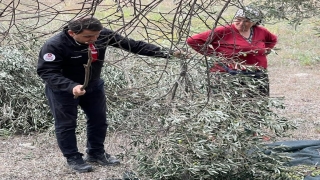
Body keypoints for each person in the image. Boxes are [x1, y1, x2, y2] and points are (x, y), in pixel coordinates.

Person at [37, 16, 183, 173]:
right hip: (64, 90)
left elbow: (133, 45)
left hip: (93, 86)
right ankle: (73, 158)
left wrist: (168, 53)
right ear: (72, 33)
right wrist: (71, 87)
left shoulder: (103, 35)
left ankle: (95, 152)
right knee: (66, 124)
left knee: (98, 120)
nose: (94, 39)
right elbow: (47, 71)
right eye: (88, 37)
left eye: (96, 35)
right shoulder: (55, 45)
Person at [186, 6, 278, 96]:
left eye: (246, 21)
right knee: (234, 106)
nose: (241, 23)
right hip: (229, 74)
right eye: (238, 19)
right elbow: (193, 40)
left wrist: (267, 49)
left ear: (254, 22)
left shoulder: (261, 31)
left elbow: (273, 39)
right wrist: (214, 54)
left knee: (258, 105)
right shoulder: (223, 31)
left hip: (258, 74)